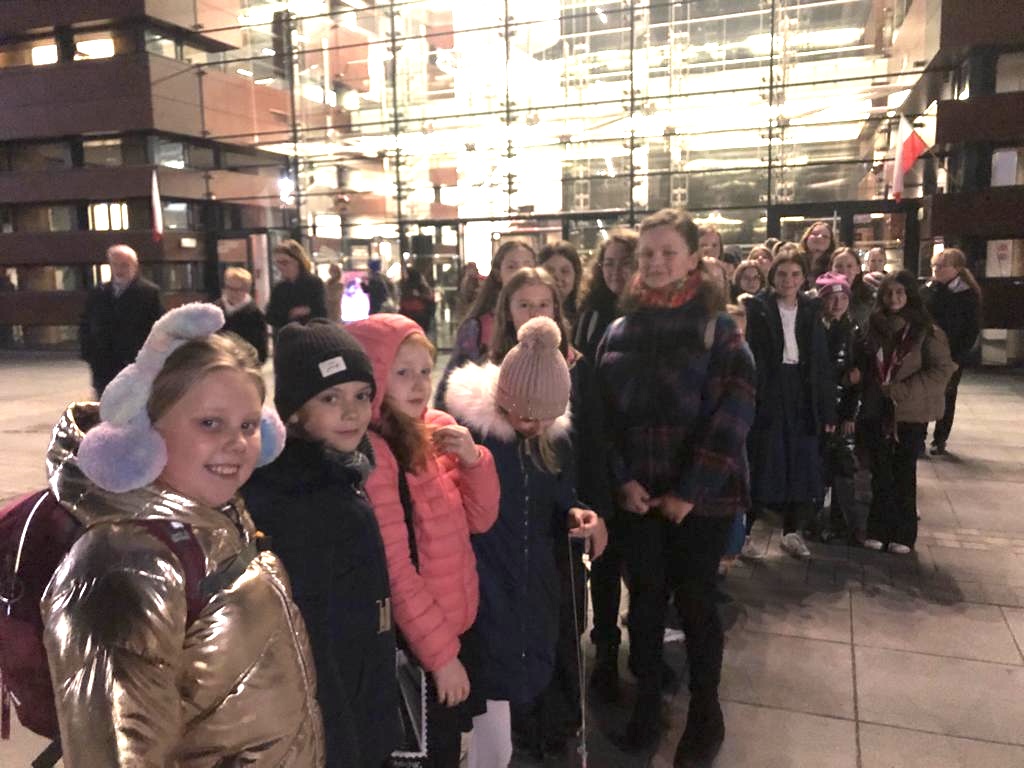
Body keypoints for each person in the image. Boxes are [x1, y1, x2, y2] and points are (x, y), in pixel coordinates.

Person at [42, 303, 323, 766]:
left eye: (249, 425)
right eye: (210, 423)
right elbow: (117, 750)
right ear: (145, 433)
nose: (237, 442)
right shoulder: (125, 564)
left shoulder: (218, 523)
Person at [595, 208, 756, 764]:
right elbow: (602, 418)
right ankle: (647, 703)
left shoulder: (718, 328)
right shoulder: (620, 329)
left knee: (695, 602)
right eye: (647, 254)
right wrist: (621, 479)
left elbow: (735, 412)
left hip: (702, 502)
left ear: (692, 259)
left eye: (668, 252)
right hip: (639, 498)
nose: (656, 262)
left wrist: (691, 491)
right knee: (643, 603)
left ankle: (706, 714)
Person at [444, 317, 606, 768]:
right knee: (490, 680)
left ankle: (519, 741)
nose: (534, 425)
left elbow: (559, 493)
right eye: (526, 415)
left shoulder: (551, 440)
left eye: (545, 417)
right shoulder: (475, 437)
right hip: (485, 574)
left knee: (526, 667)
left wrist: (576, 511)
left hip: (534, 575)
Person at [243, 320, 399, 767]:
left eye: (361, 396)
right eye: (330, 398)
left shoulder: (340, 476)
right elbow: (312, 643)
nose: (351, 412)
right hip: (338, 729)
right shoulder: (298, 501)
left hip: (361, 705)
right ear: (294, 411)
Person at [347, 313, 500, 768]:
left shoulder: (435, 429)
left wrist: (475, 461)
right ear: (374, 376)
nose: (419, 384)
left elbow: (481, 519)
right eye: (402, 372)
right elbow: (396, 571)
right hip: (422, 647)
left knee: (450, 749)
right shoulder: (377, 454)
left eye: (424, 370)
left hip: (456, 626)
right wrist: (442, 656)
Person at [488, 267, 613, 754]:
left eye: (544, 304)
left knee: (559, 624)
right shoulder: (485, 389)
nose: (534, 313)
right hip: (502, 543)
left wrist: (583, 508)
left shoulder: (572, 372)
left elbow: (575, 460)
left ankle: (555, 718)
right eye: (524, 304)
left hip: (551, 530)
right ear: (506, 311)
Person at [743, 252, 836, 559]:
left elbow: (821, 362)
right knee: (763, 460)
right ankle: (744, 533)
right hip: (769, 389)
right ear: (772, 277)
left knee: (801, 461)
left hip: (802, 390)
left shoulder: (810, 310)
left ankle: (792, 531)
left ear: (803, 278)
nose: (788, 280)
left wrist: (827, 409)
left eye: (795, 274)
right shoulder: (758, 308)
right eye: (782, 274)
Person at [857, 271, 956, 553]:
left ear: (910, 295)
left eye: (900, 292)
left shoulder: (927, 331)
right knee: (880, 471)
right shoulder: (871, 328)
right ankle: (877, 528)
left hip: (909, 413)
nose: (893, 298)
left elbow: (943, 369)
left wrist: (902, 390)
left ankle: (903, 533)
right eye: (888, 292)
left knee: (903, 472)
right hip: (877, 410)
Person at [433, 239, 535, 408]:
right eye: (512, 266)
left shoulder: (546, 316)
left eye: (528, 265)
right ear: (498, 273)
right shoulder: (477, 327)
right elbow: (452, 380)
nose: (521, 272)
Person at [815, 272, 865, 544]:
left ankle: (841, 523)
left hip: (841, 408)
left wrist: (849, 414)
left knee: (842, 468)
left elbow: (858, 375)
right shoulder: (813, 327)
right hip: (818, 409)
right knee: (818, 466)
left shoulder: (854, 330)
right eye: (831, 298)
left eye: (843, 298)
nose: (837, 304)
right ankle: (813, 520)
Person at [79, 244, 164, 395]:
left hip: (134, 364)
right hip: (103, 366)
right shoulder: (98, 293)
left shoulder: (149, 293)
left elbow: (158, 327)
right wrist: (89, 354)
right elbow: (85, 324)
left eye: (124, 265)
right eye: (115, 264)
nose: (119, 270)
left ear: (135, 266)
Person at [923, 248, 982, 455]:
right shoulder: (928, 289)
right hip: (927, 351)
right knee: (922, 393)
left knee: (947, 395)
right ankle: (919, 436)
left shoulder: (966, 294)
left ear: (957, 269)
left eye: (942, 266)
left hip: (952, 353)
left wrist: (957, 358)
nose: (936, 269)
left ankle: (940, 439)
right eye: (934, 265)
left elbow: (970, 330)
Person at [573, 230, 638, 362]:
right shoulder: (590, 312)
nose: (616, 270)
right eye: (609, 263)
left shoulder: (650, 311)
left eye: (625, 263)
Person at [266, 239, 327, 334]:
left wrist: (307, 310)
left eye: (284, 262)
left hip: (310, 336)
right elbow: (270, 317)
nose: (280, 267)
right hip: (286, 336)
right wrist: (289, 313)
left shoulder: (314, 283)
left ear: (298, 261)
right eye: (277, 263)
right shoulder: (279, 288)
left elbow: (322, 313)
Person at [216, 266, 268, 363]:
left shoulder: (255, 314)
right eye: (229, 288)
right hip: (219, 361)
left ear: (246, 290)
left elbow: (261, 349)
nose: (232, 293)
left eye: (237, 289)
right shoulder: (215, 310)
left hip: (244, 363)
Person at [537, 240, 583, 328]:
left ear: (576, 275)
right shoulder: (529, 313)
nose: (557, 277)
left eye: (565, 271)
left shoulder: (585, 316)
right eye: (549, 271)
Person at [399, 266, 436, 332]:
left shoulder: (406, 286)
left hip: (409, 314)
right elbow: (430, 298)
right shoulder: (422, 285)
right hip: (420, 314)